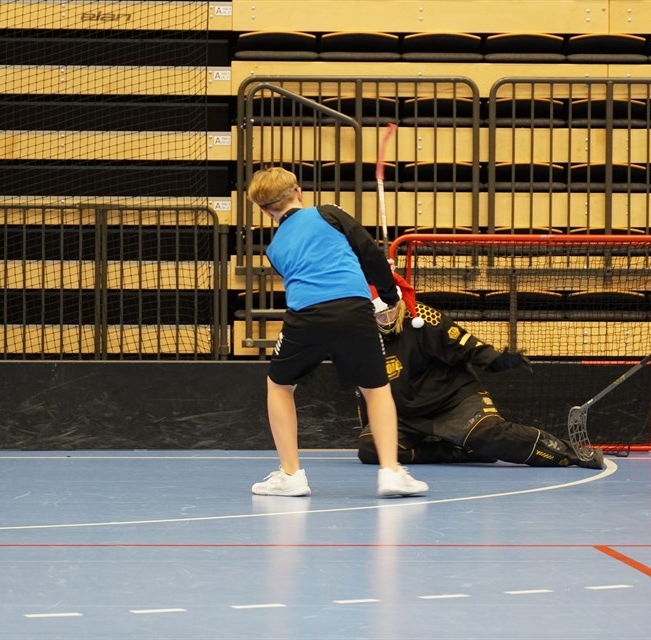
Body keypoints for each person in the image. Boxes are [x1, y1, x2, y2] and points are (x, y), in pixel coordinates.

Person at [246, 167, 428, 498]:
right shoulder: (329, 214)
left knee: (280, 386)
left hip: (305, 317)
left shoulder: (274, 249)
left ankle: (291, 474)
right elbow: (369, 253)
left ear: (264, 211)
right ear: (298, 192)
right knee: (376, 389)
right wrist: (389, 295)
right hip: (353, 311)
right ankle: (390, 472)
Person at [358, 270, 605, 470]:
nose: (387, 319)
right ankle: (452, 453)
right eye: (379, 315)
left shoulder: (423, 317)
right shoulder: (362, 336)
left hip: (453, 402)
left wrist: (497, 360)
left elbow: (464, 345)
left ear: (399, 301)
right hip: (405, 415)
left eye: (391, 310)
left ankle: (572, 453)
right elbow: (365, 389)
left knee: (489, 435)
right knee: (371, 449)